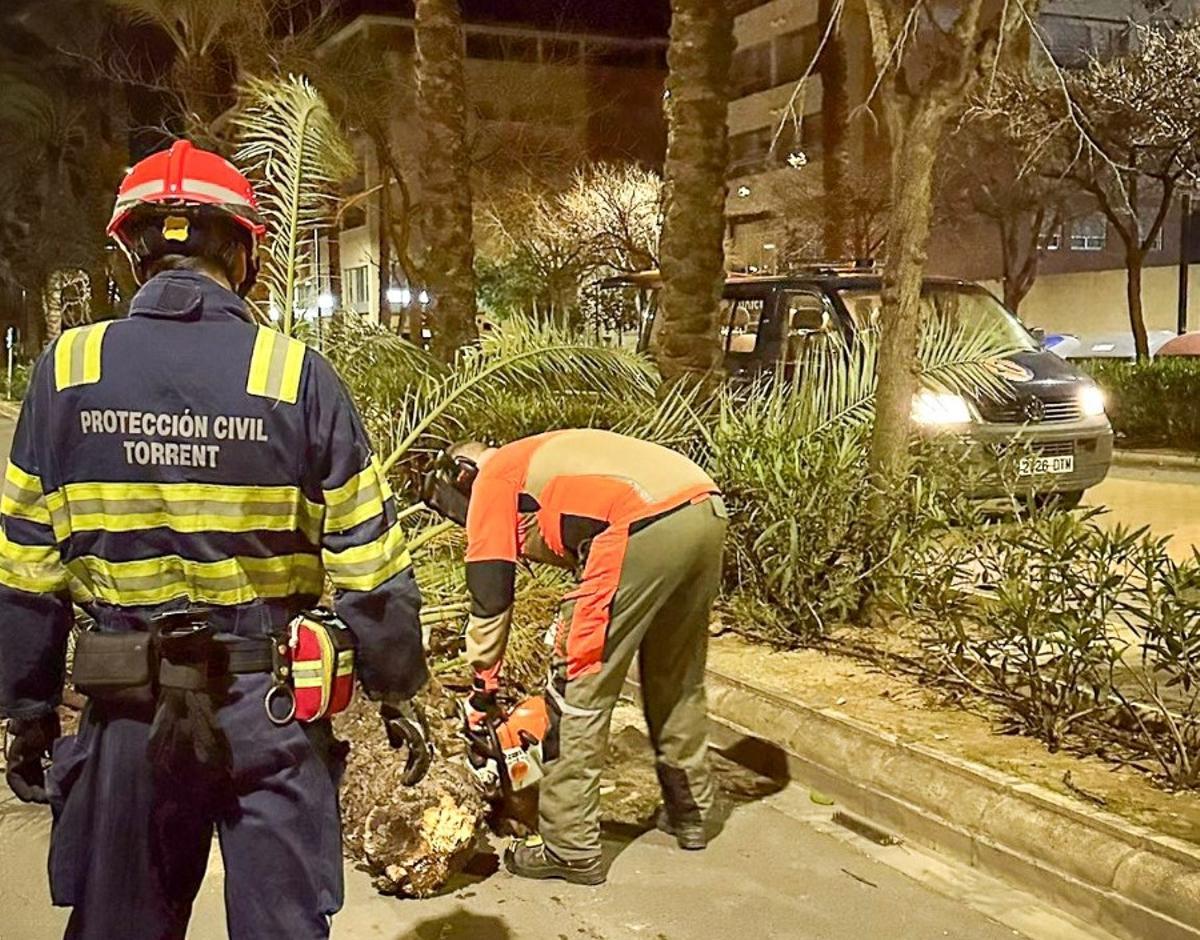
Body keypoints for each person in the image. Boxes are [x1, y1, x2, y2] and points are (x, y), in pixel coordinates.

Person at [0, 140, 429, 940]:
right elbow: (370, 562)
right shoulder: (292, 372)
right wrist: (396, 685)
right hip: (268, 708)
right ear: (245, 253)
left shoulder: (67, 369)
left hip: (127, 712)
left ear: (133, 252)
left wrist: (26, 710)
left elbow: (25, 569)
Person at [424, 429, 728, 885]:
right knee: (676, 673)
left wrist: (482, 687)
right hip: (704, 507)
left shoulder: (493, 477)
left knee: (577, 690)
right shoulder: (541, 459)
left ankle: (570, 847)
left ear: (462, 478)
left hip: (640, 522)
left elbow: (490, 597)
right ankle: (693, 813)